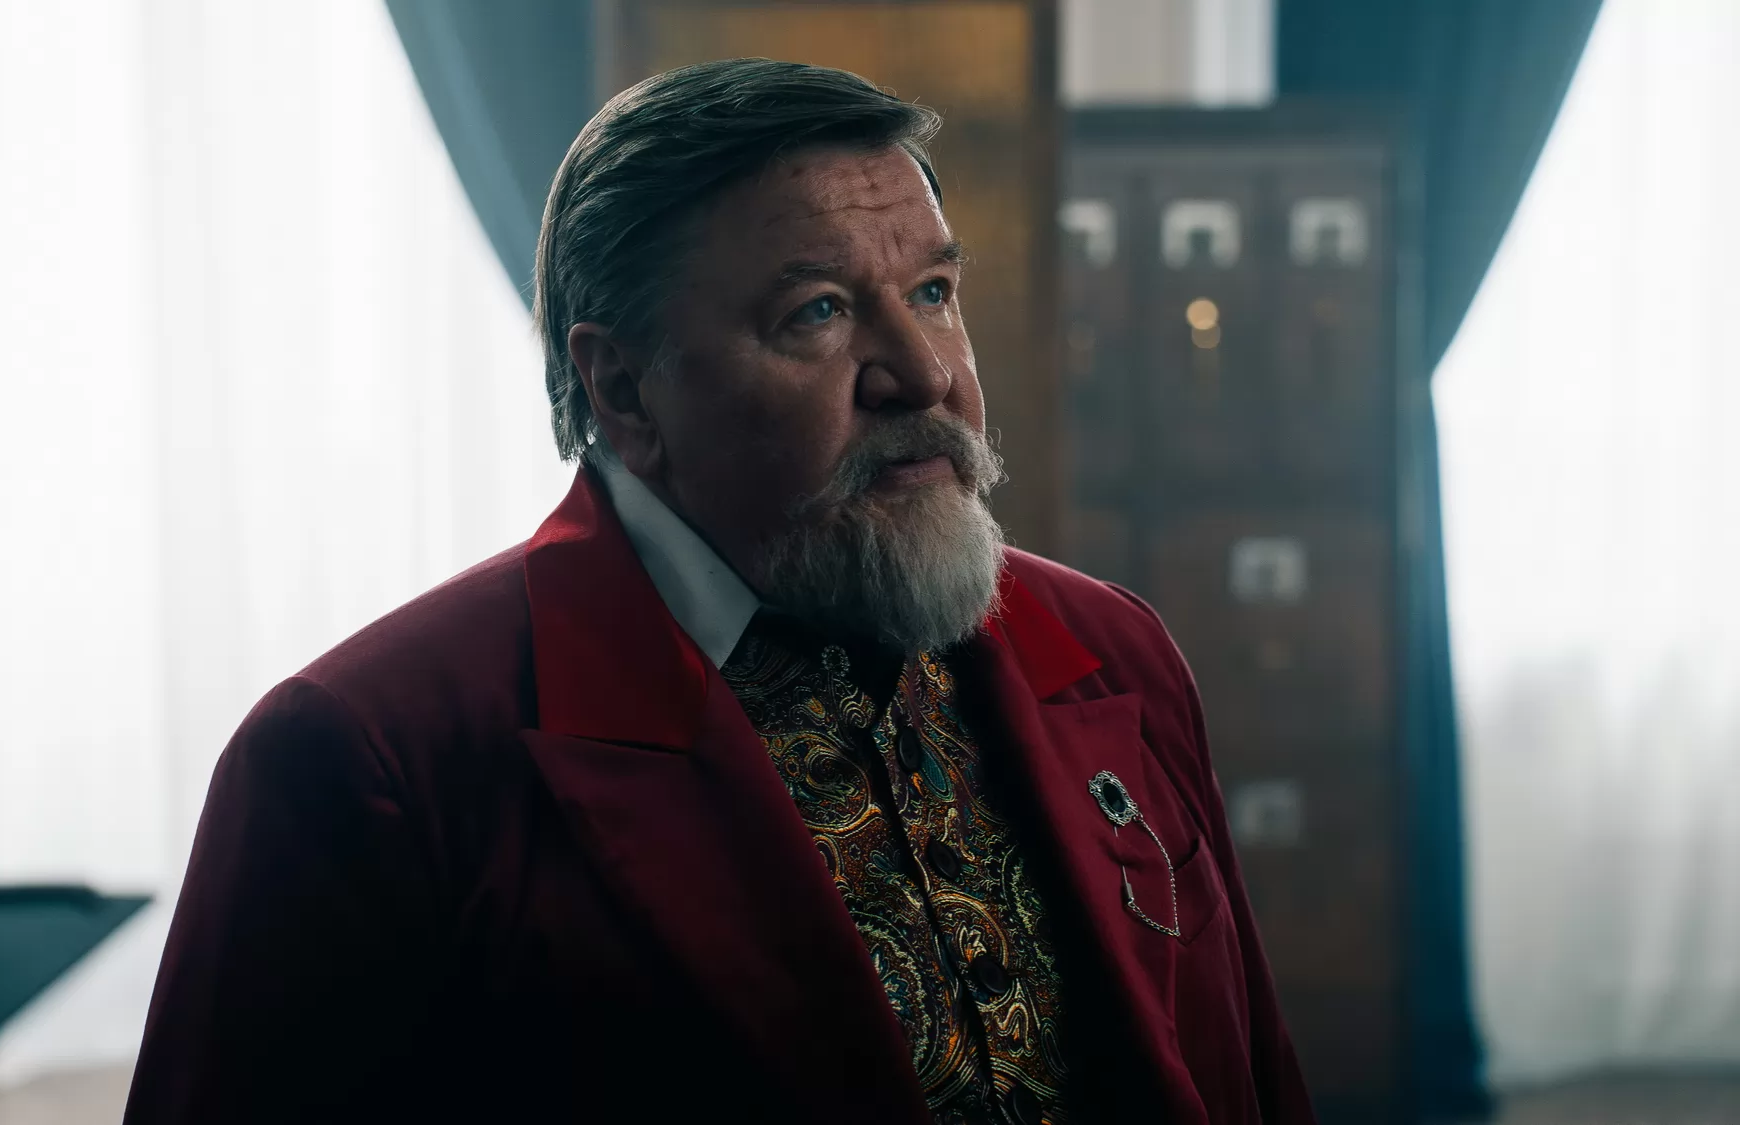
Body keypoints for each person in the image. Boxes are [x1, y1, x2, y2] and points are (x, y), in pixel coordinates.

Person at [124, 58, 1314, 1125]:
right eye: (817, 314)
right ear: (623, 388)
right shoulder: (367, 759)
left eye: (934, 292)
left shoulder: (1108, 648)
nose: (923, 375)